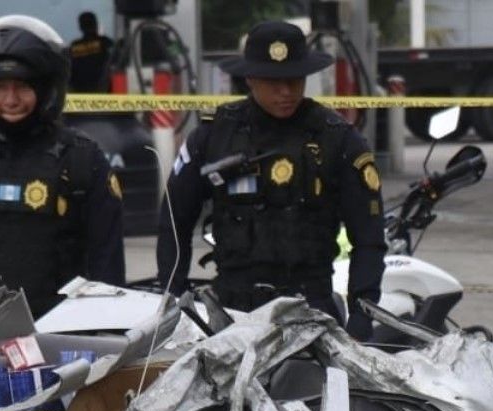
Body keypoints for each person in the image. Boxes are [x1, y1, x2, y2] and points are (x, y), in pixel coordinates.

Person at [155, 20, 385, 340]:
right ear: (250, 78)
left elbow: (369, 237)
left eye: (294, 80)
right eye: (273, 81)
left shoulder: (338, 140)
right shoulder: (214, 135)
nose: (286, 91)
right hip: (232, 313)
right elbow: (174, 219)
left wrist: (362, 312)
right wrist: (172, 297)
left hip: (312, 310)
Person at [0, 15, 125, 319]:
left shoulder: (83, 160)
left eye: (22, 86)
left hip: (56, 337)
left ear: (47, 89)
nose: (10, 99)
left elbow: (107, 271)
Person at [69, 11, 115, 94]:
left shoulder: (74, 46)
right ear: (96, 25)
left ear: (80, 27)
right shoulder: (105, 43)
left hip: (79, 94)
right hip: (102, 93)